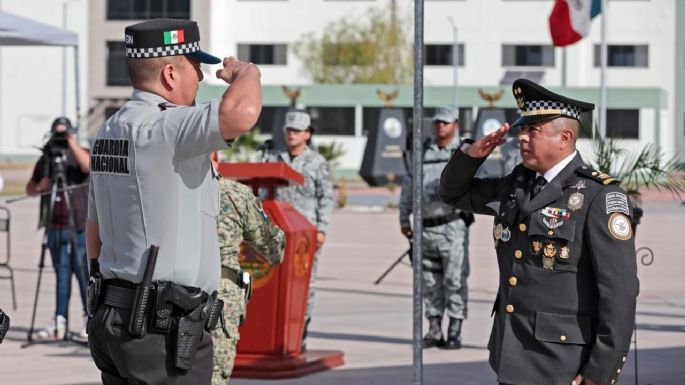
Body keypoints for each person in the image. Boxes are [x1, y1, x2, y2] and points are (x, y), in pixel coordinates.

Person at [86, 18, 261, 385]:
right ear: (170, 73)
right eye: (195, 66)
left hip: (115, 318)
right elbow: (241, 113)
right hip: (161, 332)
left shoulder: (110, 130)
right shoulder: (168, 127)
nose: (200, 77)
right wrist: (248, 72)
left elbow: (95, 231)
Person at [439, 79, 638, 385]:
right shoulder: (515, 185)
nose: (522, 137)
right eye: (522, 129)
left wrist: (601, 370)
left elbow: (619, 292)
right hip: (510, 356)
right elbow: (454, 194)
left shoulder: (598, 197)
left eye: (533, 130)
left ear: (565, 137)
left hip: (562, 365)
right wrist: (471, 156)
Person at [399, 106, 471, 349]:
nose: (440, 126)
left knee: (454, 280)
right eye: (437, 122)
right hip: (424, 229)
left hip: (452, 228)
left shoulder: (463, 154)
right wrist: (403, 218)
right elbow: (408, 186)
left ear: (455, 125)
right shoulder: (420, 154)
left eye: (445, 123)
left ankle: (454, 330)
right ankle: (433, 329)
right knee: (429, 282)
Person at [210, 153, 285, 385]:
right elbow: (272, 246)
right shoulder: (234, 193)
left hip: (164, 294)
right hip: (218, 296)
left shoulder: (162, 192)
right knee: (213, 375)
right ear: (215, 156)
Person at [263, 110, 333, 351]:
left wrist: (322, 229)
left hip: (306, 232)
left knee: (305, 284)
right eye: (289, 130)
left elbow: (326, 198)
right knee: (275, 282)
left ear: (307, 134)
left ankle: (300, 331)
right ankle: (276, 331)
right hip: (276, 232)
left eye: (297, 131)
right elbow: (261, 191)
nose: (291, 134)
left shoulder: (317, 163)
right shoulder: (272, 158)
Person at [26, 116, 90, 339]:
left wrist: (71, 142)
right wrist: (40, 185)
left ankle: (88, 319)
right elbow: (30, 188)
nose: (60, 138)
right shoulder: (47, 159)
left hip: (79, 226)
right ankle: (59, 320)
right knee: (62, 275)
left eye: (65, 133)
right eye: (58, 134)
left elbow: (88, 166)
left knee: (83, 275)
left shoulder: (79, 152)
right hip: (55, 225)